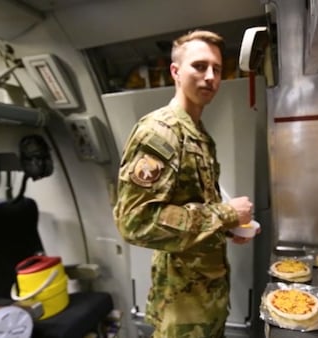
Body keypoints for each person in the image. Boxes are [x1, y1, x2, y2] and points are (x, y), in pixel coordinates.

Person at [113, 29, 256, 338]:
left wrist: (225, 228)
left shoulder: (199, 134)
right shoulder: (160, 132)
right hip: (181, 308)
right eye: (199, 66)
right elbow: (135, 222)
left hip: (208, 298)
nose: (210, 76)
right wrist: (226, 215)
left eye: (217, 69)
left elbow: (193, 207)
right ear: (176, 72)